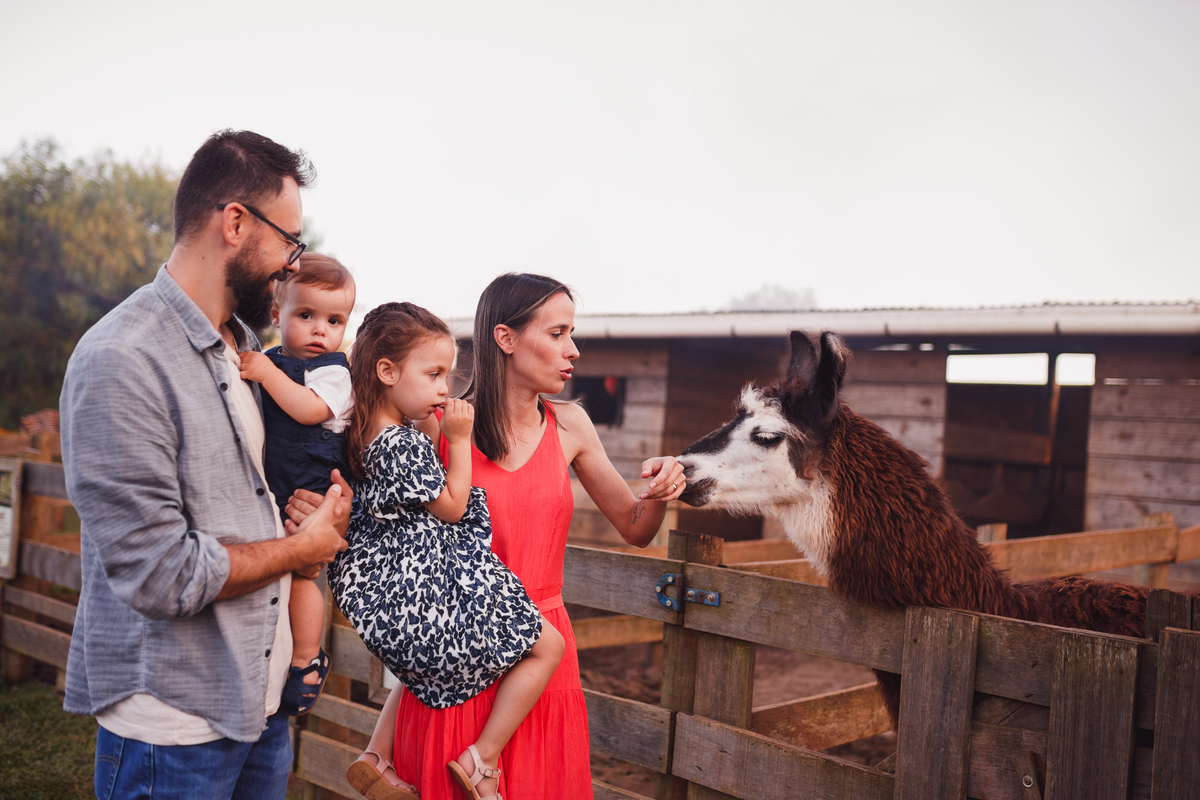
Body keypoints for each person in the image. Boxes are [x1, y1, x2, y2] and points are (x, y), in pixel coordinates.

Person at [295, 274, 686, 799]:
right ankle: (389, 753)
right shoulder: (437, 426)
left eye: (573, 334)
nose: (573, 350)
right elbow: (386, 516)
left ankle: (383, 753)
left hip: (543, 652)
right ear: (505, 337)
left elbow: (637, 528)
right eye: (557, 333)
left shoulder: (572, 426)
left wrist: (661, 489)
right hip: (462, 645)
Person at [60, 129, 352, 800]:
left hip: (261, 705)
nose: (291, 264)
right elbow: (160, 574)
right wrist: (295, 548)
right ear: (236, 223)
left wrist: (310, 512)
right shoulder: (122, 358)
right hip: (175, 729)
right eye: (290, 241)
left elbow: (255, 496)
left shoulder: (253, 356)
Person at [331, 302, 566, 800]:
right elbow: (454, 506)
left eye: (449, 375)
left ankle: (377, 754)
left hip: (399, 586)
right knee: (547, 647)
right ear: (388, 371)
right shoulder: (398, 444)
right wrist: (459, 441)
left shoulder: (366, 431)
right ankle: (482, 760)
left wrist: (434, 428)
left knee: (426, 673)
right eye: (434, 374)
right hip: (432, 581)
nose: (444, 388)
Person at [238, 253, 357, 715]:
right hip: (272, 484)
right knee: (273, 569)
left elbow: (309, 410)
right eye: (305, 315)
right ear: (276, 315)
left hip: (311, 488)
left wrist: (266, 374)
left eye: (334, 320)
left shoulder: (333, 372)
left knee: (305, 572)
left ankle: (308, 657)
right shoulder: (268, 357)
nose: (319, 330)